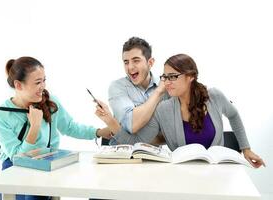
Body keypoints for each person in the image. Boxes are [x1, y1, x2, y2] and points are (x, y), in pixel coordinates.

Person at [96, 53, 265, 168]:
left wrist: (246, 148)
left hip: (217, 175)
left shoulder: (214, 96)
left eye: (173, 76)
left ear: (190, 76)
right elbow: (135, 142)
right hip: (182, 177)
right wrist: (110, 121)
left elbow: (234, 115)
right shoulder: (164, 109)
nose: (166, 82)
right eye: (164, 77)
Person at [0, 56, 113, 200]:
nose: (43, 87)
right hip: (14, 166)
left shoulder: (50, 102)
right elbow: (17, 157)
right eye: (38, 82)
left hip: (46, 162)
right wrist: (35, 127)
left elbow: (70, 127)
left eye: (44, 80)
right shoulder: (2, 115)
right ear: (18, 85)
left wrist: (98, 132)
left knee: (35, 196)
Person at [103, 37, 167, 145]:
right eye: (126, 62)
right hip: (120, 155)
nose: (130, 67)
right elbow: (132, 124)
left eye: (136, 60)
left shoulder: (167, 86)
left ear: (150, 62)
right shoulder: (118, 87)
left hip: (153, 155)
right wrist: (158, 93)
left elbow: (169, 133)